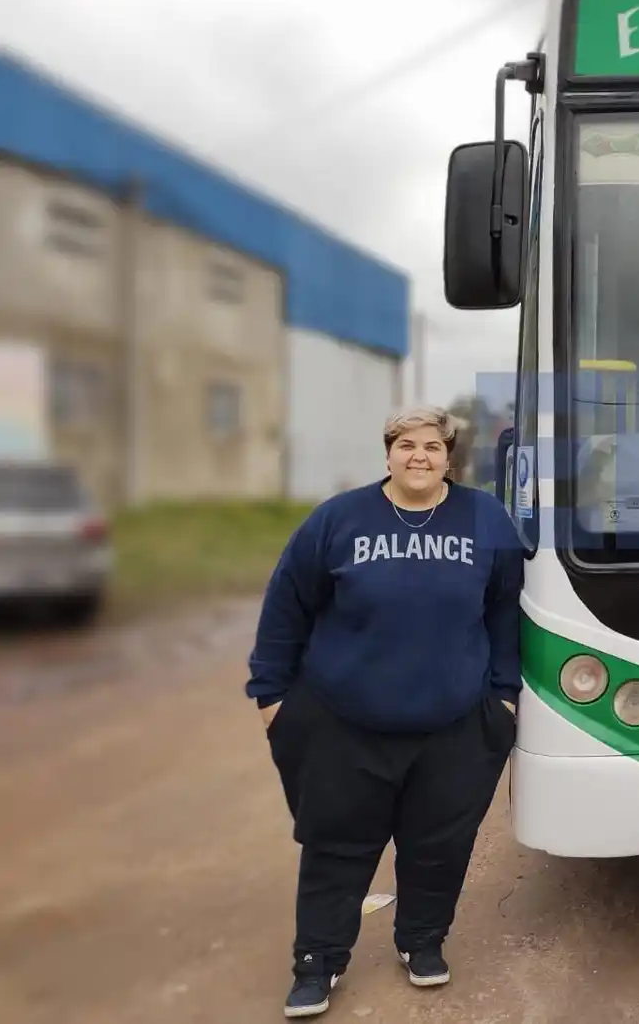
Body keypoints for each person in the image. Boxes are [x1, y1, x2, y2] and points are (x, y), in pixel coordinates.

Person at [246, 405, 524, 1019]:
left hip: (453, 727)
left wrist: (504, 698)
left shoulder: (486, 519)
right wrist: (271, 698)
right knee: (336, 845)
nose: (419, 456)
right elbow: (287, 606)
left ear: (451, 457)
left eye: (432, 446)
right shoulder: (338, 520)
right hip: (344, 723)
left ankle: (422, 942)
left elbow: (506, 611)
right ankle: (318, 962)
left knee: (439, 845)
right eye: (406, 445)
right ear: (388, 452)